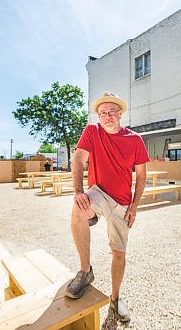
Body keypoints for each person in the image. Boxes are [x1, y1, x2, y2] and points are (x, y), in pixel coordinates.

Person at [65, 92, 150, 324]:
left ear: (120, 113)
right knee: (78, 209)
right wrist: (79, 191)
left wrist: (134, 207)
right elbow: (78, 160)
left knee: (119, 253)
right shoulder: (92, 131)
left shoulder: (135, 140)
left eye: (112, 112)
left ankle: (115, 298)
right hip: (99, 192)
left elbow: (141, 176)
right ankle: (85, 271)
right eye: (102, 113)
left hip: (122, 202)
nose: (107, 116)